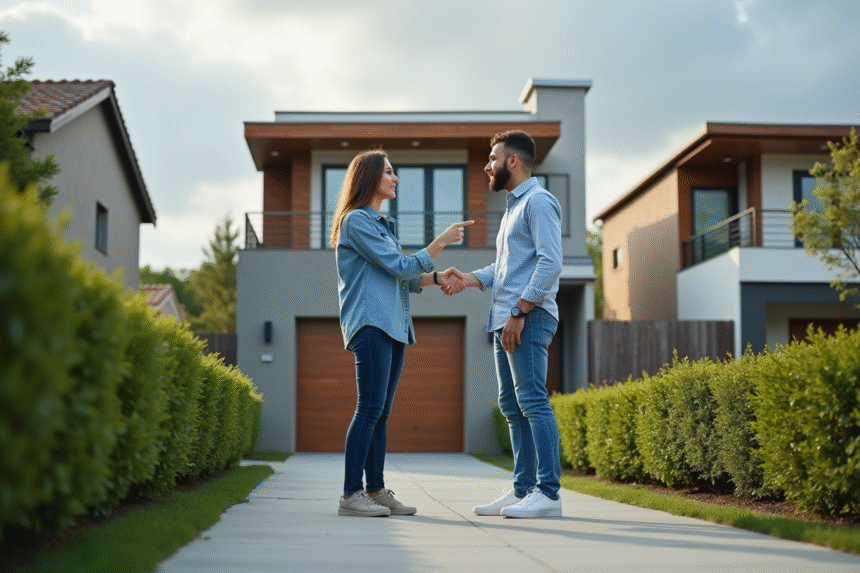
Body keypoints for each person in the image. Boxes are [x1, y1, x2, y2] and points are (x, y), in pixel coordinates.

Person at [331, 148, 472, 517]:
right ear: (370, 177)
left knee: (380, 412)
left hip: (393, 325)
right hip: (371, 323)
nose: (395, 179)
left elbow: (405, 278)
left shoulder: (382, 226)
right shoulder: (357, 221)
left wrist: (437, 277)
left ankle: (375, 490)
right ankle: (350, 494)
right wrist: (440, 242)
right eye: (389, 172)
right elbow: (402, 266)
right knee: (369, 409)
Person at [444, 130, 563, 518]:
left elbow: (550, 262)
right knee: (512, 406)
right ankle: (523, 489)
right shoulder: (513, 208)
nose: (487, 165)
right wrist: (469, 279)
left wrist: (519, 313)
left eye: (493, 158)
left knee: (533, 402)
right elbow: (506, 267)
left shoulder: (538, 201)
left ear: (513, 161)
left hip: (526, 318)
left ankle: (548, 494)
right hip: (505, 320)